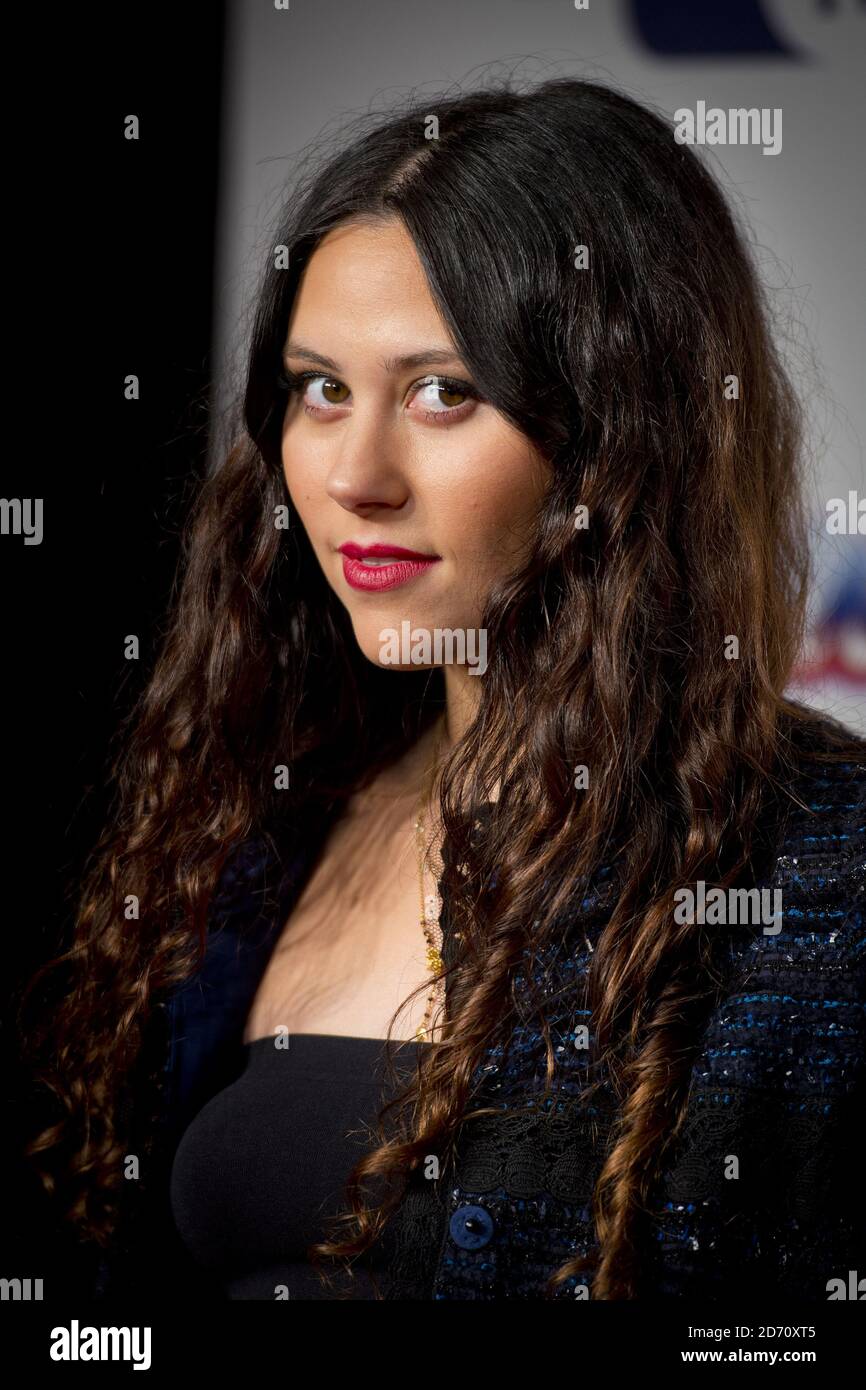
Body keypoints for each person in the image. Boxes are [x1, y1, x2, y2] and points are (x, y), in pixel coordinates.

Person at [23, 76, 866, 1301]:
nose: (354, 473)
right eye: (320, 388)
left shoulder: (816, 864)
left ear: (617, 434)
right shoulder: (269, 816)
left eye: (442, 392)